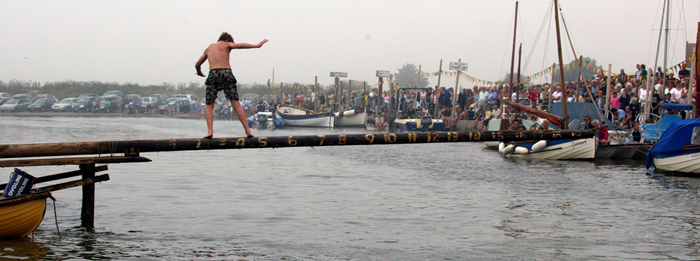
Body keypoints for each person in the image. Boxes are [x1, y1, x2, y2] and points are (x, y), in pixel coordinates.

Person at [196, 32, 267, 138]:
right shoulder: (226, 44)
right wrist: (257, 45)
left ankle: (210, 131)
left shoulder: (209, 48)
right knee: (236, 103)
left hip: (213, 73)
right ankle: (247, 131)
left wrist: (199, 72)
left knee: (209, 105)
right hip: (226, 73)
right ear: (227, 40)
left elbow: (197, 64)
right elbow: (239, 45)